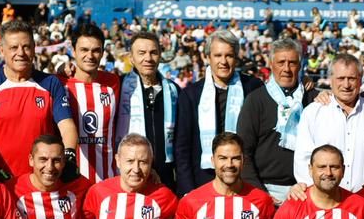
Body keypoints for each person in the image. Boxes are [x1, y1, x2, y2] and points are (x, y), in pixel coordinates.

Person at [0, 18, 79, 182]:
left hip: (42, 181)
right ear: (2, 50)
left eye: (26, 47)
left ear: (34, 49)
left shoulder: (50, 83)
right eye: (13, 47)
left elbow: (67, 125)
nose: (21, 53)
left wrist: (69, 155)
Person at [174, 31, 263, 194]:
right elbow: (182, 148)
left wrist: (305, 86)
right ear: (207, 57)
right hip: (203, 180)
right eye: (218, 55)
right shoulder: (191, 95)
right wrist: (187, 189)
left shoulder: (253, 87)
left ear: (236, 58)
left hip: (244, 181)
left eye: (229, 55)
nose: (223, 61)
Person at [293, 53, 364, 192]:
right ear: (330, 80)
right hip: (325, 199)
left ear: (360, 80)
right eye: (341, 78)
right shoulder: (312, 113)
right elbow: (303, 158)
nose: (346, 85)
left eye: (351, 78)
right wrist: (316, 194)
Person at [235, 37, 316, 203]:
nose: (286, 69)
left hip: (306, 189)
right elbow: (244, 151)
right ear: (271, 65)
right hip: (266, 190)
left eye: (292, 63)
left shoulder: (314, 100)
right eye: (281, 62)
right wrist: (259, 193)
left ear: (300, 66)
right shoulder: (255, 100)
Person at [114, 30, 181, 189]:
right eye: (141, 53)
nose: (148, 58)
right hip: (129, 176)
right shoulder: (118, 86)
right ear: (131, 57)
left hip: (165, 178)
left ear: (160, 55)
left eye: (153, 53)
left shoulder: (174, 91)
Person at [63, 21, 122, 184]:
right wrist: (62, 68)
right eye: (84, 50)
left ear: (103, 52)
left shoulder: (113, 82)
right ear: (73, 51)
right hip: (68, 182)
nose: (90, 56)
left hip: (106, 181)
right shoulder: (59, 83)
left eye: (96, 50)